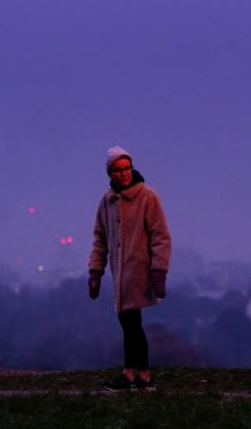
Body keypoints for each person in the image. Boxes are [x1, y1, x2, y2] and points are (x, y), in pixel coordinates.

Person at [88, 146, 172, 390]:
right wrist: (95, 272)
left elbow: (161, 236)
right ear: (110, 173)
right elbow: (99, 239)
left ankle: (134, 374)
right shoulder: (107, 201)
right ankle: (140, 375)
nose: (124, 174)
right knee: (129, 322)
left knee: (130, 322)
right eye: (118, 170)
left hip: (140, 271)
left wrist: (159, 271)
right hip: (118, 272)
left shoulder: (148, 197)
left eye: (127, 168)